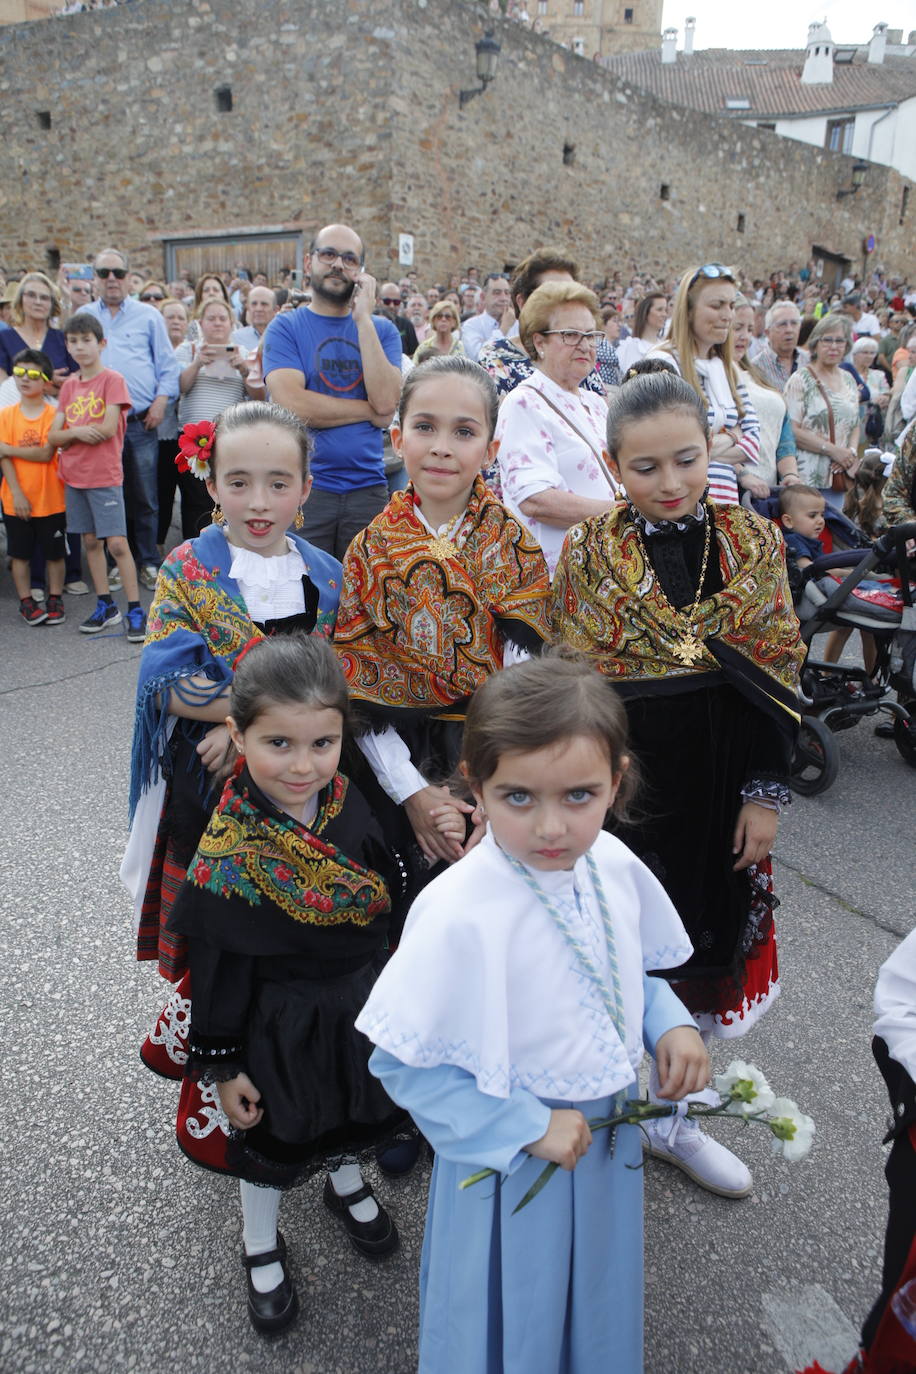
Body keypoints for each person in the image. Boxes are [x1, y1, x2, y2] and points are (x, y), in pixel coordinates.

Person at [357, 653, 707, 1374]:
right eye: (518, 798)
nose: (552, 827)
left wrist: (665, 1021)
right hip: (512, 1155)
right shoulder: (460, 909)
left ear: (617, 779)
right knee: (518, 1301)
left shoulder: (612, 864)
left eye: (579, 795)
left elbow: (625, 966)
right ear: (474, 784)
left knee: (596, 1291)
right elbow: (402, 1060)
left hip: (606, 1140)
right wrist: (523, 1125)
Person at [551, 369, 804, 1197]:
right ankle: (609, 1100)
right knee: (620, 938)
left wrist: (764, 793)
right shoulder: (591, 552)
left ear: (712, 450)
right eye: (645, 467)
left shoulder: (753, 542)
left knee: (701, 936)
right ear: (613, 463)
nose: (669, 483)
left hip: (724, 777)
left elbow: (776, 672)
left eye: (685, 460)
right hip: (627, 784)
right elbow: (574, 682)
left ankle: (674, 1117)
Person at [167, 634, 406, 1335]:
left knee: (353, 1108)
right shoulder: (232, 844)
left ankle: (345, 1181)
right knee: (276, 1134)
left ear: (341, 737)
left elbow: (385, 889)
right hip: (277, 1019)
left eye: (322, 744)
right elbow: (217, 965)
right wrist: (220, 1064)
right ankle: (259, 1240)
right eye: (279, 744)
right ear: (237, 734)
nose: (303, 767)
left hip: (357, 1002)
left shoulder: (347, 799)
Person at [123, 400, 343, 989]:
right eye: (239, 482)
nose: (259, 502)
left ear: (305, 489)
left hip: (308, 770)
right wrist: (249, 724)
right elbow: (168, 686)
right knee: (222, 929)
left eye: (278, 483)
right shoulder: (187, 567)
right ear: (212, 483)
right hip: (213, 776)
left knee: (301, 921)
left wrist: (242, 724)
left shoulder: (326, 573)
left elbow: (340, 676)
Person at [334, 355, 551, 876]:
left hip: (495, 751)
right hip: (394, 758)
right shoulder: (369, 550)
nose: (441, 447)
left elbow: (526, 681)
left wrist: (495, 788)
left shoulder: (513, 545)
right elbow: (357, 678)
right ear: (397, 438)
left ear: (491, 449)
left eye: (464, 431)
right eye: (425, 427)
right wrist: (413, 794)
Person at [262, 223, 402, 560]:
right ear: (309, 263)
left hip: (368, 488)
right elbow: (292, 405)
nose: (338, 264)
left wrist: (364, 319)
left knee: (364, 599)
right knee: (305, 598)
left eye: (349, 259)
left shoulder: (382, 330)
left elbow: (386, 400)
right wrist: (369, 412)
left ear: (361, 273)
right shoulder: (285, 327)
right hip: (306, 488)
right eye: (329, 254)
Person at [495, 281, 616, 576]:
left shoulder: (597, 404)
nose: (585, 345)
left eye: (591, 335)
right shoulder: (523, 402)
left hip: (607, 570)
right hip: (558, 575)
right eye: (571, 335)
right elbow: (535, 499)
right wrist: (623, 515)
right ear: (539, 342)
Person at [83, 247, 181, 590]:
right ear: (94, 278)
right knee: (108, 496)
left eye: (118, 273)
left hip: (140, 422)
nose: (112, 279)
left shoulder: (148, 316)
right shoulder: (84, 316)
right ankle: (115, 559)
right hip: (96, 428)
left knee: (145, 496)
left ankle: (149, 561)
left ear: (128, 278)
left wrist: (160, 403)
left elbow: (167, 366)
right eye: (104, 272)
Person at [50, 312, 144, 639]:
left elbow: (105, 429)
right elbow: (53, 435)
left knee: (117, 544)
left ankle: (135, 608)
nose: (80, 347)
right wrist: (78, 431)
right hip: (74, 476)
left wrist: (70, 433)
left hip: (104, 475)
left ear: (101, 343)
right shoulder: (69, 386)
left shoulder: (112, 380)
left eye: (86, 340)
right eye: (73, 341)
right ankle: (106, 606)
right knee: (90, 541)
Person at [651, 264, 760, 506]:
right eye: (716, 305)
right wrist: (734, 435)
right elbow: (670, 445)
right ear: (688, 310)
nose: (728, 315)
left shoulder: (728, 368)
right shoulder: (663, 364)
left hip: (725, 500)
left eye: (731, 305)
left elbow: (753, 441)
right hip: (681, 504)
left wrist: (704, 445)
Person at [478, 246, 611, 401]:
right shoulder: (497, 356)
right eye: (550, 294)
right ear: (522, 302)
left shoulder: (580, 353)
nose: (564, 302)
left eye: (570, 293)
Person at [0, 348, 65, 626]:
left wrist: (7, 448)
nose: (24, 379)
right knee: (19, 554)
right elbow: (4, 460)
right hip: (16, 498)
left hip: (51, 498)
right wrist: (16, 493)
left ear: (46, 380)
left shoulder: (55, 415)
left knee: (55, 554)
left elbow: (45, 454)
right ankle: (26, 601)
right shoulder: (5, 416)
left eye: (33, 374)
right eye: (19, 373)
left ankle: (54, 597)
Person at [784, 313, 860, 502]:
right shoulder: (801, 379)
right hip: (807, 477)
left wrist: (850, 453)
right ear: (816, 344)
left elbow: (855, 423)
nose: (834, 346)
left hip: (839, 477)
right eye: (827, 340)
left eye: (840, 341)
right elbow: (791, 430)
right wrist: (832, 450)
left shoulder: (849, 379)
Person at [732, 298, 801, 492]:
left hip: (767, 488)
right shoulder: (710, 375)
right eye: (737, 328)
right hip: (733, 487)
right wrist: (743, 474)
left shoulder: (756, 374)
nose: (744, 336)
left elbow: (783, 430)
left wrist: (790, 474)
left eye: (749, 329)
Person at [0, 272, 76, 392]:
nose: (38, 302)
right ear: (20, 300)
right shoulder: (4, 338)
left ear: (52, 304)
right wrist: (43, 381)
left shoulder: (63, 339)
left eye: (44, 297)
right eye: (31, 295)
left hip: (58, 408)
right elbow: (2, 385)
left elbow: (77, 382)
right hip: (15, 408)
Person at [753, 302, 808, 392]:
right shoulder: (757, 367)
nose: (789, 330)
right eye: (782, 324)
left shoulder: (809, 361)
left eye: (794, 323)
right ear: (768, 333)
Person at [460, 272, 513, 362]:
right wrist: (503, 330)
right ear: (483, 297)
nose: (504, 298)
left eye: (507, 293)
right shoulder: (471, 325)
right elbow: (478, 357)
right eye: (497, 293)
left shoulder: (518, 325)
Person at [616, 291, 668, 373]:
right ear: (645, 313)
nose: (664, 314)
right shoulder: (634, 346)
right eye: (659, 310)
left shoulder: (665, 345)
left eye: (665, 310)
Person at [778, 483, 826, 568]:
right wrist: (841, 572)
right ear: (788, 521)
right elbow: (807, 567)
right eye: (812, 516)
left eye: (822, 515)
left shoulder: (811, 540)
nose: (821, 521)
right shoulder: (792, 540)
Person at [412, 298, 464, 364]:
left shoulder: (461, 347)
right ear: (433, 320)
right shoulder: (424, 347)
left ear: (454, 321)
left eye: (448, 317)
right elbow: (413, 371)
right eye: (439, 316)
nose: (443, 319)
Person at [232, 285, 277, 351]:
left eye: (264, 304)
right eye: (254, 304)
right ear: (248, 308)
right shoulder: (236, 338)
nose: (258, 309)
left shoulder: (285, 338)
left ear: (275, 310)